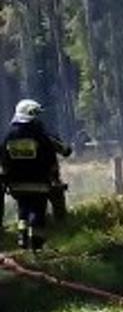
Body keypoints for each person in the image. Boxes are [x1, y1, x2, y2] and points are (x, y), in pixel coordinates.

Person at [2, 100, 73, 252]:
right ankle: (37, 244)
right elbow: (62, 152)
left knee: (23, 210)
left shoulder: (9, 135)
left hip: (16, 185)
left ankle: (22, 236)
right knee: (37, 210)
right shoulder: (41, 135)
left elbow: (4, 158)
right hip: (39, 182)